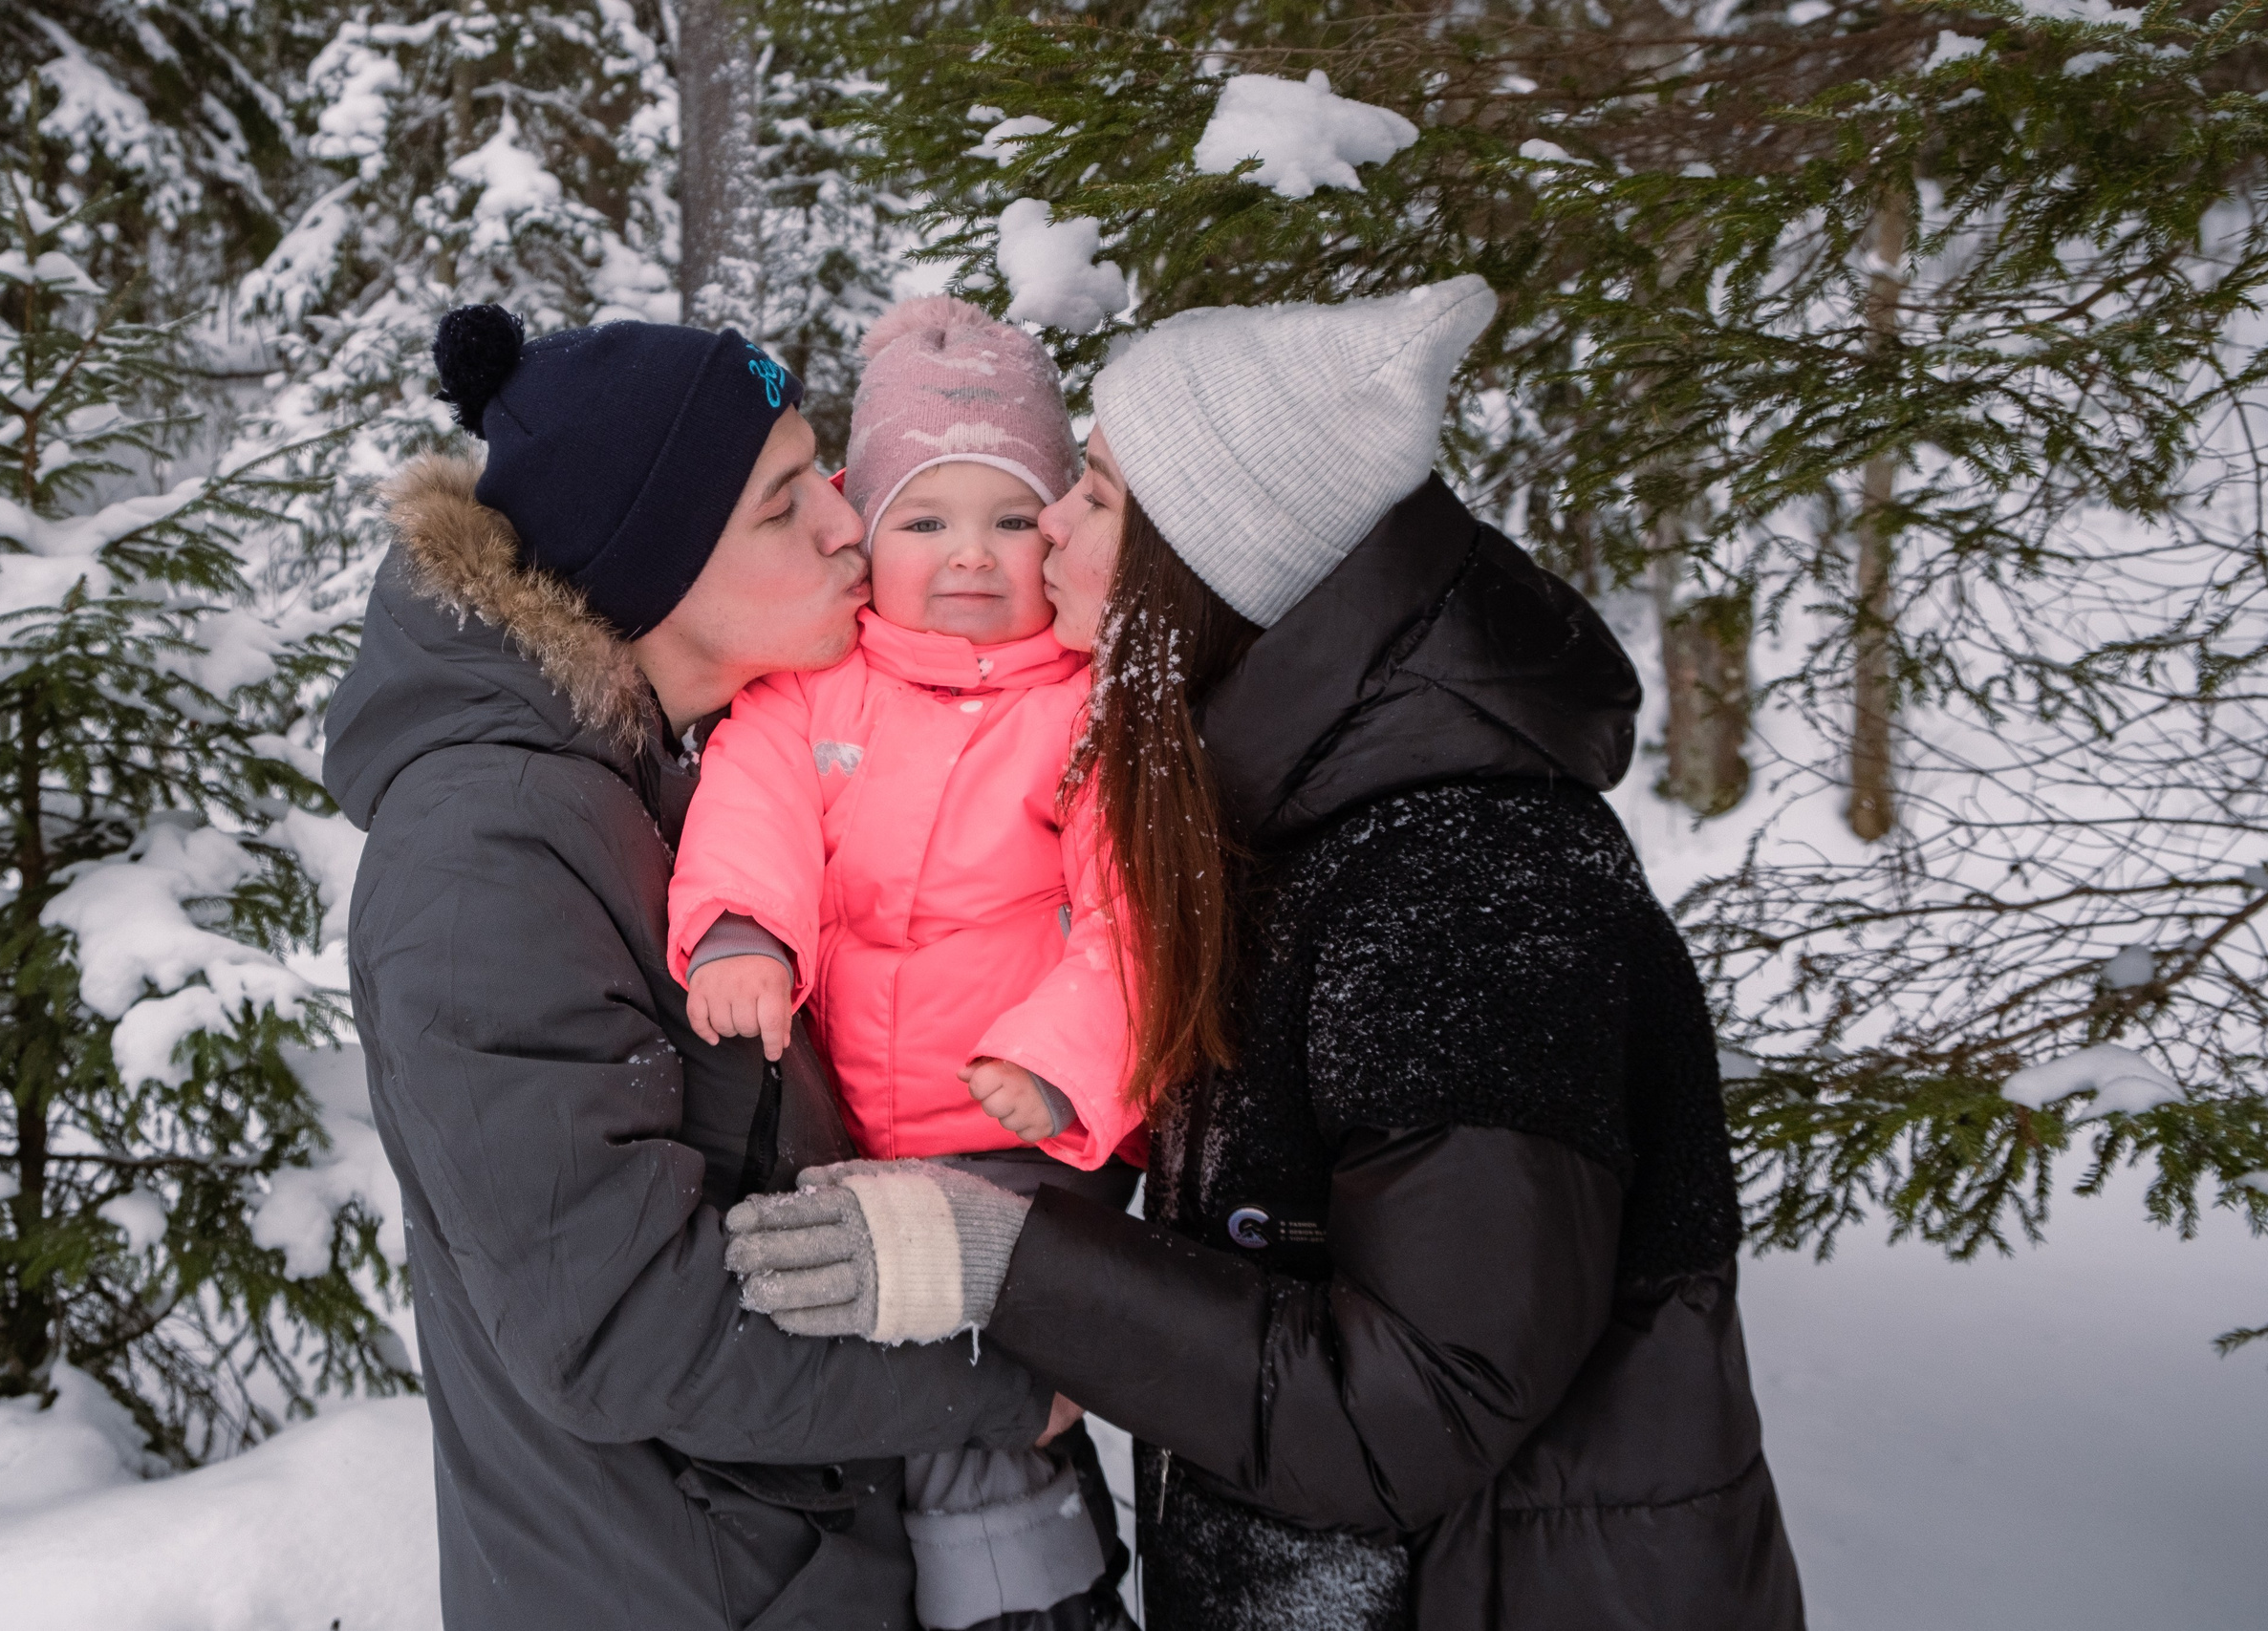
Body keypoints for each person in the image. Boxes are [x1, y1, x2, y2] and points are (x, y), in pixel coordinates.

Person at [726, 280, 1808, 1628]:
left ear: (1208, 563)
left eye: (1095, 495)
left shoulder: (1462, 885)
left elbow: (1418, 1403)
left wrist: (1004, 1258)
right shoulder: (1291, 815)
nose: (1044, 522)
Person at [323, 305, 1080, 1631]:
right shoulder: (485, 858)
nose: (849, 523)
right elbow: (618, 1328)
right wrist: (1018, 1376)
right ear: (653, 569)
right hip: (677, 1589)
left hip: (784, 1564)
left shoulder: (664, 772)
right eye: (786, 505)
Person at [666, 297, 1144, 1631]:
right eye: (925, 522)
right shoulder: (815, 688)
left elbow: (1134, 922)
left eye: (1012, 519)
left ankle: (1035, 1610)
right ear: (864, 535)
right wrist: (745, 930)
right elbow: (753, 808)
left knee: (974, 1396)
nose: (971, 555)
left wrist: (1061, 1062)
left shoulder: (1086, 713)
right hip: (843, 1135)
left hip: (1018, 1143)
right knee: (861, 1382)